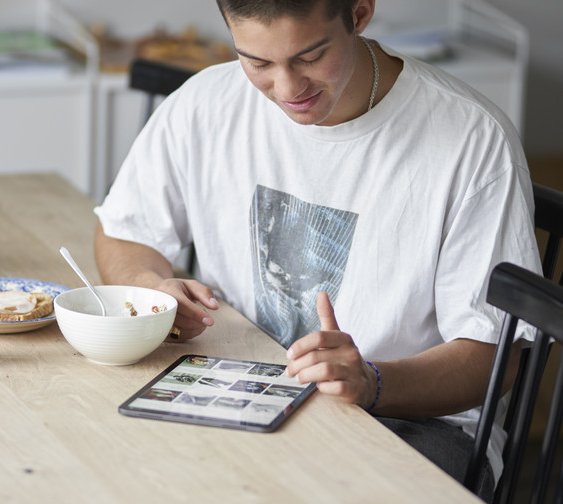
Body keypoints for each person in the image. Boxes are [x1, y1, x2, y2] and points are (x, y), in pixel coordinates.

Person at [94, 0, 541, 500]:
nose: (287, 90)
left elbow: (492, 357)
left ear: (360, 13)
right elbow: (125, 232)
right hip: (239, 386)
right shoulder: (205, 101)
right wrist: (150, 288)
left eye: (309, 57)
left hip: (411, 424)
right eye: (258, 62)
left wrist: (372, 381)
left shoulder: (471, 138)